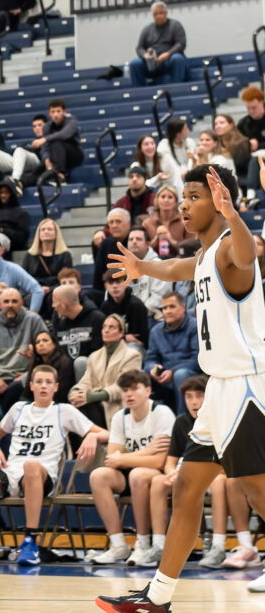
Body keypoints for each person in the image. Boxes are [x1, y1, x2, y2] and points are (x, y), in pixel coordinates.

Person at [97, 164, 265, 611]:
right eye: (183, 197)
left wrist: (234, 215)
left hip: (245, 386)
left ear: (220, 200)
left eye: (195, 196)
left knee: (255, 489)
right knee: (188, 486)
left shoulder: (231, 247)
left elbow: (249, 255)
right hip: (218, 393)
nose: (185, 204)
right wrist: (140, 265)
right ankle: (158, 596)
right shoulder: (205, 256)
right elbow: (175, 267)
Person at [0, 365, 107, 565]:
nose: (43, 386)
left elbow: (105, 433)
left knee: (31, 465)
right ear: (31, 386)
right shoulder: (19, 408)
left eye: (48, 382)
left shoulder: (63, 411)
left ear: (56, 387)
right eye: (39, 382)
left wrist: (92, 437)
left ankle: (30, 541)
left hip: (41, 478)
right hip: (10, 475)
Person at [88, 370, 176, 565]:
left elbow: (159, 462)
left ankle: (143, 543)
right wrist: (146, 451)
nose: (129, 394)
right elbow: (111, 460)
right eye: (125, 390)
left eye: (135, 389)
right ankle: (118, 545)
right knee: (98, 476)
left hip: (159, 476)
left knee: (137, 474)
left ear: (148, 391)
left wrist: (124, 458)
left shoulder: (162, 413)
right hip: (132, 471)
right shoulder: (121, 416)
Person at [146, 375, 230, 570]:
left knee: (217, 483)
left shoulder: (220, 419)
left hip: (215, 474)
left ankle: (218, 546)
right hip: (187, 475)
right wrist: (172, 473)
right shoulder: (181, 422)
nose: (194, 402)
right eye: (189, 397)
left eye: (199, 396)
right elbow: (170, 461)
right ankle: (159, 544)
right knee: (160, 481)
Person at [0, 288, 46, 410]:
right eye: (6, 301)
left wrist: (28, 374)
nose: (10, 305)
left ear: (21, 303)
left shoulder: (34, 320)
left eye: (14, 301)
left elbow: (47, 353)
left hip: (25, 379)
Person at [142, 291, 199, 411]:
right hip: (164, 374)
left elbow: (197, 359)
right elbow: (150, 359)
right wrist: (153, 368)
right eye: (164, 308)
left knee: (180, 375)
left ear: (183, 307)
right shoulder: (155, 330)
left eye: (172, 306)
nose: (167, 311)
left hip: (190, 373)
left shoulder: (195, 326)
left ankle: (181, 421)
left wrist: (172, 371)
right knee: (140, 377)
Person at [0, 113, 47, 192]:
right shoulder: (29, 143)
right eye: (34, 126)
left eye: (39, 125)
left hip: (38, 164)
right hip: (21, 164)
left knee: (19, 150)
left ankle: (14, 181)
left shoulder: (50, 139)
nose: (37, 128)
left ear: (46, 125)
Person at [128, 1, 187, 87]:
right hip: (151, 62)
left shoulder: (175, 25)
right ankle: (139, 93)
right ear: (152, 15)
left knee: (178, 58)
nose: (159, 16)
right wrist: (145, 55)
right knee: (135, 63)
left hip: (169, 59)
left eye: (161, 13)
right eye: (156, 14)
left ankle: (177, 88)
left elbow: (181, 44)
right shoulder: (147, 29)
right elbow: (139, 47)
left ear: (166, 13)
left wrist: (168, 54)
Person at [23, 218, 73, 312]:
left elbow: (67, 280)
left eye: (49, 229)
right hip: (34, 290)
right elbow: (24, 279)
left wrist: (50, 289)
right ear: (38, 234)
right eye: (43, 229)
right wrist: (37, 289)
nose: (46, 232)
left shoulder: (65, 255)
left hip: (56, 289)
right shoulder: (30, 255)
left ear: (56, 233)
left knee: (55, 297)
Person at [51, 285, 105, 371]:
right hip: (66, 371)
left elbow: (98, 353)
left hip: (91, 370)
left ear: (63, 305)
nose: (53, 306)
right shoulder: (58, 321)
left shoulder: (97, 319)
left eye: (54, 303)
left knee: (80, 362)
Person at [126, 227, 171, 319]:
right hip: (126, 318)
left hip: (151, 317)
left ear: (147, 244)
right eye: (131, 239)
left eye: (138, 239)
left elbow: (158, 300)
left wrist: (136, 314)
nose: (134, 241)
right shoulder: (121, 268)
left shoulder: (158, 265)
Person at [101, 271, 151, 349]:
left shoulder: (136, 305)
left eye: (118, 282)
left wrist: (115, 336)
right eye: (111, 283)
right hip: (112, 345)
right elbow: (104, 335)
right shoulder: (105, 307)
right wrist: (124, 337)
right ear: (106, 286)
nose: (114, 286)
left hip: (135, 347)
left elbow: (137, 338)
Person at [23, 330, 75, 404]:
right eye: (37, 342)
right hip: (37, 402)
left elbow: (63, 391)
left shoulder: (65, 361)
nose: (41, 344)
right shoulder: (35, 363)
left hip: (59, 403)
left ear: (54, 344)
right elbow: (28, 390)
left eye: (45, 340)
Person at [142, 185, 186, 259]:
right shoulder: (147, 223)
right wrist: (157, 238)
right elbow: (142, 250)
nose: (166, 200)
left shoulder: (185, 222)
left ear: (176, 201)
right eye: (163, 197)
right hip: (152, 263)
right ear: (157, 200)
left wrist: (171, 240)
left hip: (180, 263)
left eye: (170, 197)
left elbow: (191, 249)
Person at [0, 180, 30, 253]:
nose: (3, 195)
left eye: (6, 192)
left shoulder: (21, 213)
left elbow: (21, 238)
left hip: (9, 243)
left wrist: (2, 230)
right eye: (0, 193)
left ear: (12, 193)